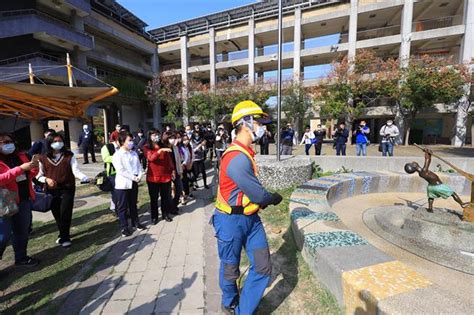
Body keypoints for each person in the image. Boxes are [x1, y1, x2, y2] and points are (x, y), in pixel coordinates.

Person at [213, 100, 283, 314]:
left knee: (262, 267)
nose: (263, 126)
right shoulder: (235, 158)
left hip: (251, 220)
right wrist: (271, 197)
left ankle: (243, 311)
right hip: (230, 222)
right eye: (259, 121)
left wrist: (265, 199)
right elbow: (257, 194)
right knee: (230, 268)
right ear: (246, 123)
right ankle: (229, 302)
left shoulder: (245, 153)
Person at [36, 132, 89, 248]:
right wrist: (46, 179)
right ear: (49, 143)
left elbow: (76, 170)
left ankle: (65, 237)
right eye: (54, 141)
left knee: (65, 212)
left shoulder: (69, 155)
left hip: (68, 188)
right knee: (57, 213)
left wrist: (84, 177)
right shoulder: (43, 158)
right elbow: (38, 175)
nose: (58, 143)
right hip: (52, 190)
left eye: (60, 141)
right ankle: (62, 233)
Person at [0, 133, 40, 266]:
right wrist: (20, 169)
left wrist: (34, 167)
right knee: (3, 235)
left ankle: (21, 257)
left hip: (23, 198)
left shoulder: (21, 156)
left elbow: (30, 174)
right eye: (3, 142)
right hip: (4, 203)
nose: (7, 144)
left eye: (9, 141)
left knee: (22, 231)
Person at [404, 148, 470, 212]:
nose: (413, 162)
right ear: (414, 167)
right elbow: (428, 160)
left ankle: (430, 208)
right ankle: (462, 204)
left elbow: (427, 159)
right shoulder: (424, 171)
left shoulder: (421, 173)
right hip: (438, 186)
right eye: (412, 164)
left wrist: (427, 152)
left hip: (430, 187)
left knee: (431, 197)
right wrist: (427, 153)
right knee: (453, 193)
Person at [112, 131, 145, 236]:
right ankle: (124, 227)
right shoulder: (117, 155)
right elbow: (121, 170)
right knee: (122, 207)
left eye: (132, 140)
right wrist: (134, 178)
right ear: (122, 142)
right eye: (129, 140)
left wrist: (140, 175)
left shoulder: (134, 153)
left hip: (134, 182)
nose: (132, 142)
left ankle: (136, 223)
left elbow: (139, 166)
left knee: (133, 204)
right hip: (123, 184)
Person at [143, 129, 174, 224]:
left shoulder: (163, 146)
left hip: (165, 176)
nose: (156, 136)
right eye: (153, 135)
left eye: (157, 134)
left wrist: (172, 170)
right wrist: (160, 151)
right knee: (154, 198)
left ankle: (165, 214)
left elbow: (169, 160)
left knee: (165, 197)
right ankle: (154, 217)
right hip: (153, 177)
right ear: (149, 136)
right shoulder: (146, 147)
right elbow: (151, 158)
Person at [101, 137, 120, 214]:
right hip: (112, 173)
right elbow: (106, 158)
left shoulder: (123, 147)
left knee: (121, 192)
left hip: (122, 172)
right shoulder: (107, 147)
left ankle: (119, 208)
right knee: (116, 191)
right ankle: (115, 208)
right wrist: (118, 157)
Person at [169, 132, 183, 214]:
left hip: (177, 171)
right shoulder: (166, 149)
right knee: (169, 192)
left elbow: (178, 161)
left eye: (174, 138)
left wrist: (180, 171)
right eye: (171, 138)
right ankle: (171, 208)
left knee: (179, 189)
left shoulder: (176, 148)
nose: (173, 140)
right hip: (169, 173)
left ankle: (174, 205)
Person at [181, 134, 194, 202]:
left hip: (189, 166)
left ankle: (188, 194)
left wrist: (191, 163)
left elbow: (192, 156)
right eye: (184, 139)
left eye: (187, 139)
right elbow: (182, 158)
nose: (186, 141)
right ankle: (183, 197)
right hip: (183, 167)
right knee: (184, 182)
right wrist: (184, 164)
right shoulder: (181, 148)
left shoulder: (189, 147)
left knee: (190, 180)